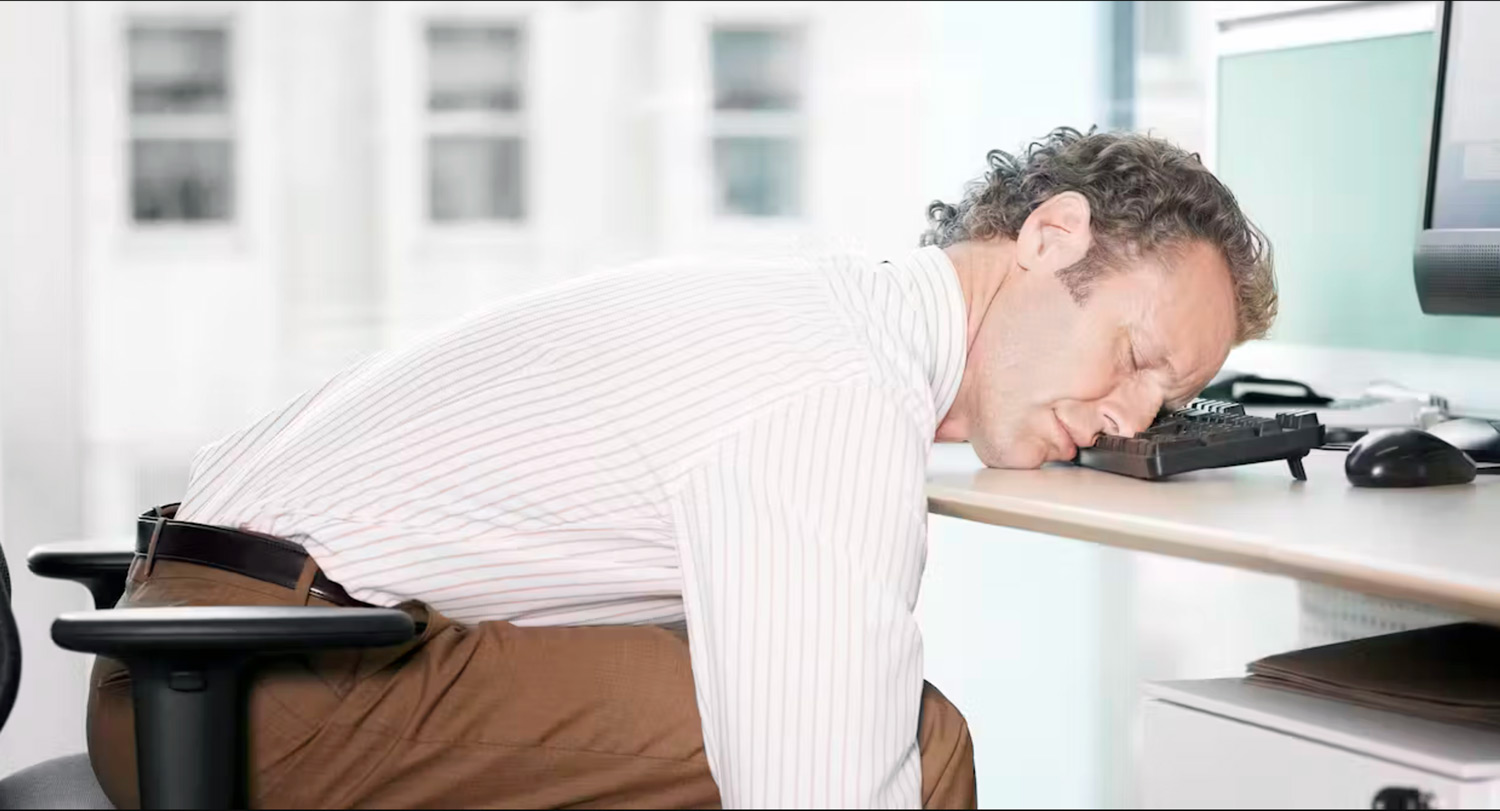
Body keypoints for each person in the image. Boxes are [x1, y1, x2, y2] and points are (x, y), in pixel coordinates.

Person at [88, 126, 1275, 809]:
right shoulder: (834, 390)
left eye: (1163, 403)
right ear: (1050, 235)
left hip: (208, 648)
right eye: (1134, 356)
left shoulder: (821, 318)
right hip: (260, 691)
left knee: (723, 673)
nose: (1128, 419)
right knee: (916, 753)